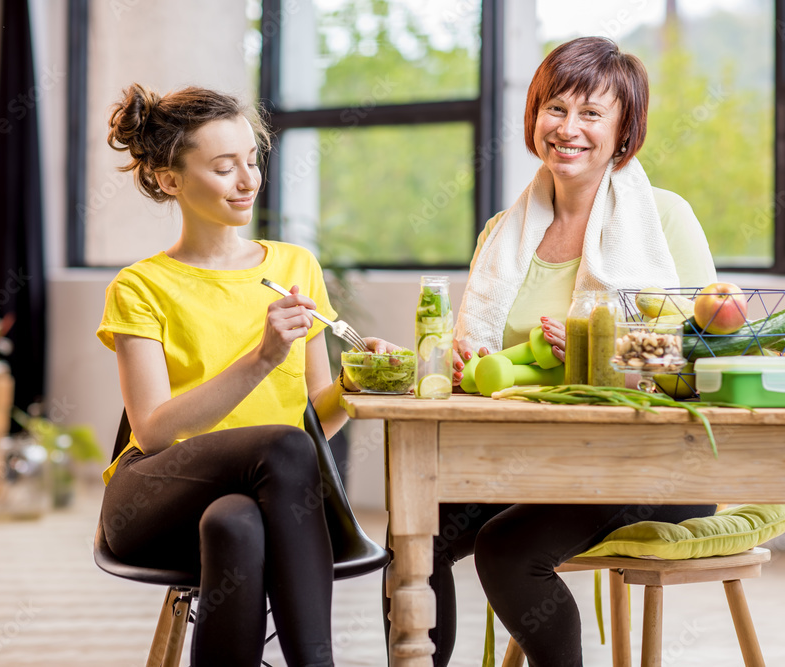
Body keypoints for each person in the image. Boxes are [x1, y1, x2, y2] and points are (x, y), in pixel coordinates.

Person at [382, 37, 718, 666]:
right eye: (555, 109)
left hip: (650, 459)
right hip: (534, 455)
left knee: (507, 549)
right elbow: (484, 349)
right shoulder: (503, 232)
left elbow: (706, 354)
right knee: (410, 537)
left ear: (624, 130)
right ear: (534, 116)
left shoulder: (665, 219)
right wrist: (461, 363)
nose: (569, 128)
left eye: (592, 113)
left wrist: (609, 350)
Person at [97, 83, 397, 667]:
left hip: (260, 497)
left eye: (252, 160)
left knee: (236, 523)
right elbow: (155, 434)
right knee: (283, 451)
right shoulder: (141, 286)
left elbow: (316, 420)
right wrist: (261, 358)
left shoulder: (293, 266)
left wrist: (357, 380)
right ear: (169, 179)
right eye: (223, 166)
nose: (248, 180)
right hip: (156, 493)